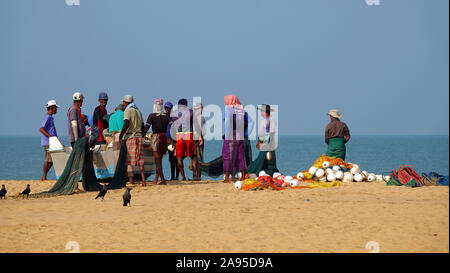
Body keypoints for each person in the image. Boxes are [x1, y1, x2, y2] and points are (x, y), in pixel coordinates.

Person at [118, 95, 146, 186]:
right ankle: (143, 181)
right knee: (140, 160)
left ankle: (123, 182)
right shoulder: (139, 111)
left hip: (131, 137)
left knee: (127, 160)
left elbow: (126, 123)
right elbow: (143, 126)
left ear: (126, 102)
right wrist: (142, 135)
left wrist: (121, 136)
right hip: (139, 136)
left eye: (123, 102)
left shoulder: (127, 110)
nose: (123, 104)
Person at [246, 104, 279, 176]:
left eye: (261, 111)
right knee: (263, 160)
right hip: (264, 143)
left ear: (265, 112)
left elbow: (270, 134)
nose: (260, 113)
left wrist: (264, 143)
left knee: (264, 159)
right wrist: (259, 141)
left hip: (267, 144)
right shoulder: (265, 120)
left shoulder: (270, 121)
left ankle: (263, 173)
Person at [143, 98, 171, 185]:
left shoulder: (152, 116)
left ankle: (163, 180)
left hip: (156, 138)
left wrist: (142, 136)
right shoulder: (166, 116)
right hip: (164, 138)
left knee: (157, 161)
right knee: (160, 160)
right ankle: (156, 180)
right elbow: (172, 126)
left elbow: (147, 128)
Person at [170, 98, 198, 181]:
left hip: (179, 135)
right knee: (193, 156)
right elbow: (195, 125)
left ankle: (183, 177)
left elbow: (172, 127)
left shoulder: (174, 113)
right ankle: (194, 175)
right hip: (189, 134)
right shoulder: (191, 112)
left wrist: (172, 140)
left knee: (179, 157)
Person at [222, 95, 247, 183]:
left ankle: (227, 178)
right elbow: (245, 123)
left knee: (227, 155)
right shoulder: (242, 110)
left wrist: (226, 134)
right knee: (240, 154)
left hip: (230, 135)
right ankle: (243, 176)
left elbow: (228, 122)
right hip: (239, 136)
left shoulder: (229, 110)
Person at [40, 100, 59, 181]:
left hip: (52, 142)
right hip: (48, 142)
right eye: (55, 108)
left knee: (51, 161)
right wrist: (50, 136)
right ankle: (44, 177)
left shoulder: (50, 118)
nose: (56, 110)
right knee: (48, 160)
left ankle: (44, 177)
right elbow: (41, 129)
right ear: (51, 108)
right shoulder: (47, 117)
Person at [164, 102, 180, 181]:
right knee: (171, 160)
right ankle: (172, 176)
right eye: (166, 108)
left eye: (168, 108)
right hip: (168, 141)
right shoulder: (163, 117)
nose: (167, 110)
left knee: (176, 159)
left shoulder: (174, 118)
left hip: (175, 141)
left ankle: (176, 177)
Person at [108, 104, 125, 171]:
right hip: (123, 136)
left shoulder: (112, 116)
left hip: (115, 136)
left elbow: (110, 131)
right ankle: (127, 175)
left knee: (116, 156)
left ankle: (116, 173)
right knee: (125, 156)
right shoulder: (125, 114)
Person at [191, 103, 206, 179]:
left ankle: (194, 175)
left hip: (192, 139)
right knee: (199, 157)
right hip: (199, 139)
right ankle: (198, 176)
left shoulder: (191, 117)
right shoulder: (201, 118)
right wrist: (201, 137)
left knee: (194, 157)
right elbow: (203, 131)